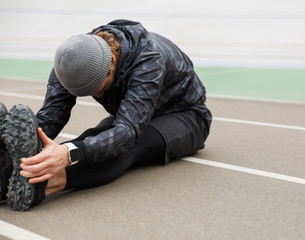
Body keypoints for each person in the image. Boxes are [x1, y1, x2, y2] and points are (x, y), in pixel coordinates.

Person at [0, 19, 212, 211]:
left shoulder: (148, 60)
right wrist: (19, 146)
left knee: (122, 145)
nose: (97, 94)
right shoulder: (72, 62)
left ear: (111, 63)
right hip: (138, 109)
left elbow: (126, 133)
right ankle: (6, 170)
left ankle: (44, 183)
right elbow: (52, 116)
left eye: (98, 88)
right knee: (96, 134)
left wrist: (67, 153)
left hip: (186, 115)